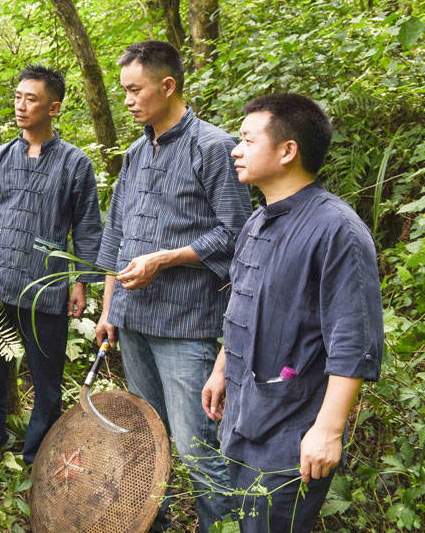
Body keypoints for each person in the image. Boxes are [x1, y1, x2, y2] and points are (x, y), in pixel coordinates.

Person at [201, 94, 383, 533]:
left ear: (287, 151)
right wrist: (222, 369)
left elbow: (354, 341)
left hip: (291, 433)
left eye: (247, 139)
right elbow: (241, 302)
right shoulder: (258, 220)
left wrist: (328, 431)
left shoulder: (337, 230)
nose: (235, 149)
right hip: (246, 416)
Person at [94, 40, 250, 530]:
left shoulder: (214, 147)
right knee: (145, 438)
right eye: (122, 91)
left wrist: (166, 258)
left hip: (186, 325)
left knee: (195, 445)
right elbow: (115, 236)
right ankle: (150, 522)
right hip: (133, 320)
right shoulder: (137, 152)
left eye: (135, 89)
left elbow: (236, 234)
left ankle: (220, 526)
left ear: (168, 85)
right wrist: (107, 310)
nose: (128, 100)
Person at [0, 65, 102, 469]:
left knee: (46, 378)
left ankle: (39, 455)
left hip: (46, 286)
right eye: (17, 96)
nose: (20, 106)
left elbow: (87, 226)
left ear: (53, 107)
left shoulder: (75, 163)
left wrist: (81, 282)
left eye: (30, 99)